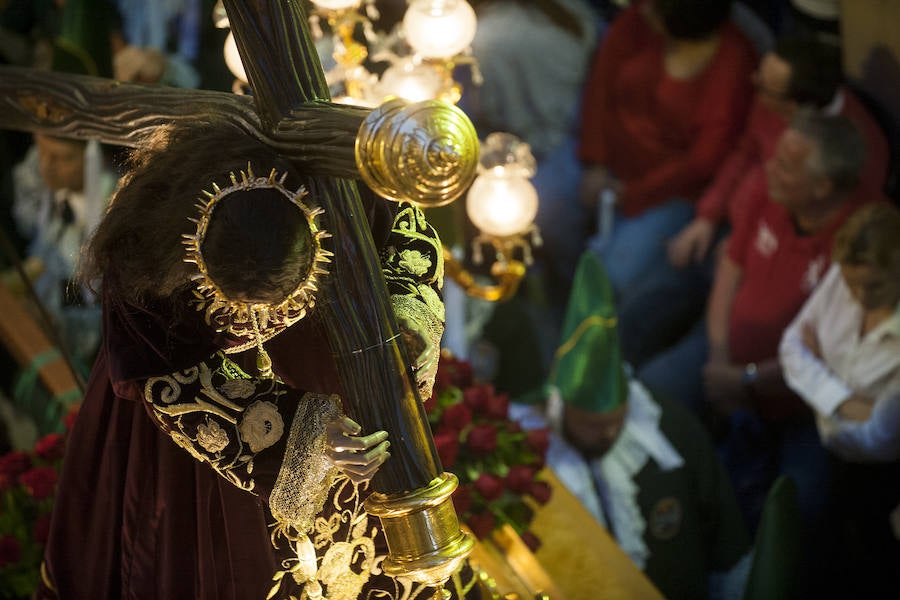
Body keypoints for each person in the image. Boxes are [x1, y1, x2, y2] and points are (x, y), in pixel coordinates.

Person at [35, 121, 471, 599]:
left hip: (332, 356)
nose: (261, 321)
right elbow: (167, 382)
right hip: (213, 439)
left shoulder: (339, 178)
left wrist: (406, 316)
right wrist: (310, 438)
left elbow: (409, 234)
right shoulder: (146, 254)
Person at [621, 32, 891, 371]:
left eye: (764, 87)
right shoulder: (771, 115)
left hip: (768, 276)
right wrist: (708, 216)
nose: (753, 87)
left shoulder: (859, 164)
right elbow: (744, 151)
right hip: (732, 236)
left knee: (669, 375)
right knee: (636, 302)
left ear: (795, 108)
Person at [515, 250, 751, 600]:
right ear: (562, 411)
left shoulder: (668, 429)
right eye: (593, 425)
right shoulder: (524, 453)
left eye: (616, 421)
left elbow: (723, 530)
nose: (609, 433)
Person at [578, 0, 757, 296]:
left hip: (670, 192)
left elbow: (701, 162)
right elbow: (601, 89)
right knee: (550, 211)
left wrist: (633, 193)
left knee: (611, 277)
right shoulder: (637, 22)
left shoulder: (733, 65)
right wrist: (594, 161)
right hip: (604, 161)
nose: (643, 8)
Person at [779, 203, 900, 597]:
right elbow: (791, 348)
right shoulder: (842, 277)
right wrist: (846, 402)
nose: (860, 296)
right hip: (823, 443)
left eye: (876, 287)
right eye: (852, 285)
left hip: (881, 478)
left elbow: (877, 440)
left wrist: (816, 383)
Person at [10, 133, 117, 370]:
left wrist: (57, 323)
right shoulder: (49, 197)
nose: (47, 166)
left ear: (96, 159)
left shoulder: (112, 213)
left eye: (64, 158)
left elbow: (106, 313)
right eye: (42, 153)